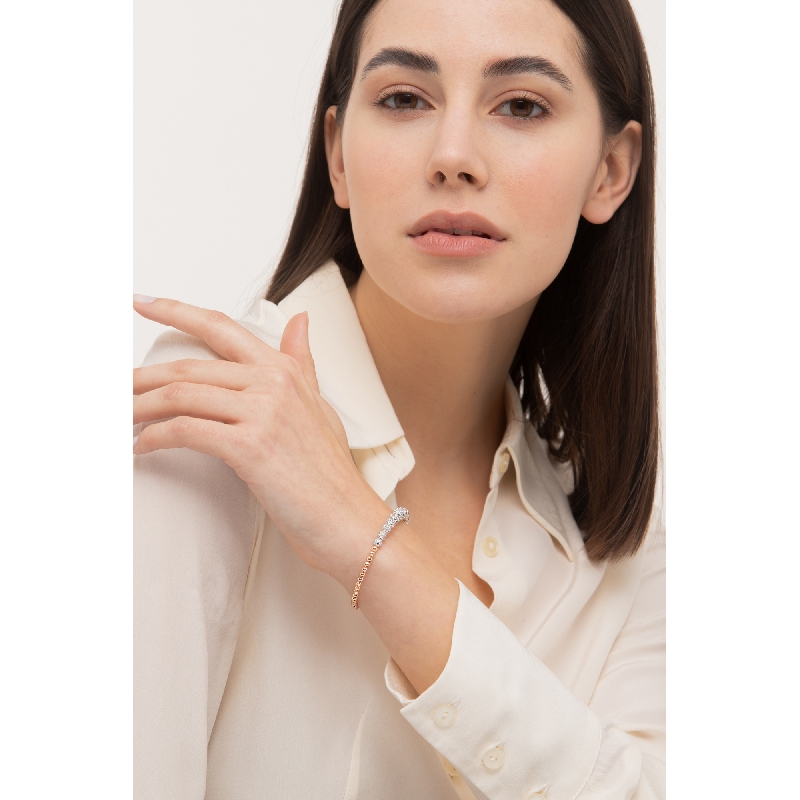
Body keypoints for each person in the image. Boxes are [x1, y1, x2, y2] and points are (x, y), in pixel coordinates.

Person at [133, 0, 664, 796]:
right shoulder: (218, 407)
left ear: (611, 171)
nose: (454, 157)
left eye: (521, 106)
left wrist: (363, 539)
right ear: (338, 157)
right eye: (404, 98)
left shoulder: (623, 536)